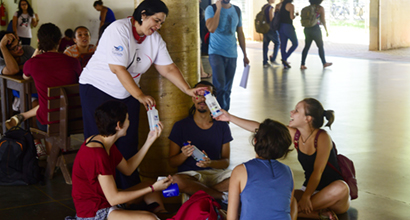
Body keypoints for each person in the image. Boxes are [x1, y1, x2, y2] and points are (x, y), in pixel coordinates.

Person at [79, 0, 205, 190]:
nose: (158, 26)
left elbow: (168, 68)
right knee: (100, 142)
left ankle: (129, 192)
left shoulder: (154, 39)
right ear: (143, 14)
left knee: (128, 142)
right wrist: (139, 95)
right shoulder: (119, 29)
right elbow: (117, 68)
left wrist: (187, 90)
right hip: (97, 90)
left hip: (127, 93)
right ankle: (99, 191)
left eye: (161, 23)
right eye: (156, 20)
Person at [71, 100, 172, 220]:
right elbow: (113, 198)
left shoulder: (104, 141)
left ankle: (163, 214)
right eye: (128, 119)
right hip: (95, 212)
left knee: (148, 185)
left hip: (106, 201)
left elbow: (128, 169)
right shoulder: (97, 154)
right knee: (150, 218)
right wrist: (153, 188)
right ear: (119, 125)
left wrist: (149, 141)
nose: (129, 122)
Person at [214, 113, 296, 220]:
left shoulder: (240, 171)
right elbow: (286, 208)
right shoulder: (288, 172)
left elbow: (232, 217)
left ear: (255, 141)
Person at [18, 23, 81, 156]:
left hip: (49, 121)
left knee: (40, 111)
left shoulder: (32, 63)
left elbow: (25, 76)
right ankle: (60, 153)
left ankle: (51, 157)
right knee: (53, 105)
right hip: (75, 118)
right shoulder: (73, 62)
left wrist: (35, 55)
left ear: (39, 41)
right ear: (59, 41)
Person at [169, 81, 232, 202]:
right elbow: (172, 162)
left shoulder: (222, 126)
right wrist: (183, 155)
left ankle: (199, 193)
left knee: (243, 176)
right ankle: (220, 196)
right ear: (193, 98)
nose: (202, 99)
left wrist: (210, 163)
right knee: (176, 180)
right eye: (198, 95)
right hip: (190, 175)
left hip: (215, 174)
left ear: (213, 99)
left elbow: (226, 161)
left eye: (206, 95)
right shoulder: (180, 126)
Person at [205, 0, 249, 111]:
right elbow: (211, 28)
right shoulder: (211, 9)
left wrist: (245, 54)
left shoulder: (237, 10)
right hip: (216, 52)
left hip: (232, 53)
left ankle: (225, 114)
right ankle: (217, 115)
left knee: (227, 89)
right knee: (219, 86)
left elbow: (240, 32)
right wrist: (219, 9)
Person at [300, 0, 332, 70]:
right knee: (320, 46)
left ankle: (302, 64)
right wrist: (326, 30)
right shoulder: (320, 8)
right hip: (315, 29)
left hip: (307, 29)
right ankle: (324, 63)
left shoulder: (307, 8)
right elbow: (323, 20)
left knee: (306, 46)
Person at [278, 0, 298, 69]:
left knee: (283, 45)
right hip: (288, 27)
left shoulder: (280, 5)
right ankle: (285, 58)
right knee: (295, 43)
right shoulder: (291, 5)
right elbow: (291, 17)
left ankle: (284, 63)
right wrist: (296, 15)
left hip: (281, 26)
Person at [262, 0, 281, 67]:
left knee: (265, 45)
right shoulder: (270, 8)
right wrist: (276, 13)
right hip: (271, 29)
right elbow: (271, 19)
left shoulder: (264, 7)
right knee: (277, 43)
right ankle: (273, 59)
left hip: (265, 28)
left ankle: (265, 62)